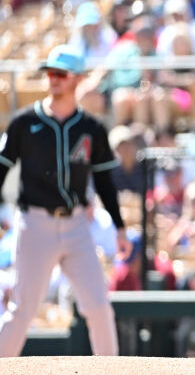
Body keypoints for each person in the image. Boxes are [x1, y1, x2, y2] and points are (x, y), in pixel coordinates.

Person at [0, 45, 131, 356]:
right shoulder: (24, 122)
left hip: (75, 226)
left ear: (77, 79)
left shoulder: (92, 128)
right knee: (23, 309)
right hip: (35, 223)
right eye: (50, 73)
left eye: (61, 74)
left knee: (99, 306)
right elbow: (2, 168)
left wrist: (120, 227)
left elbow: (104, 182)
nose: (53, 79)